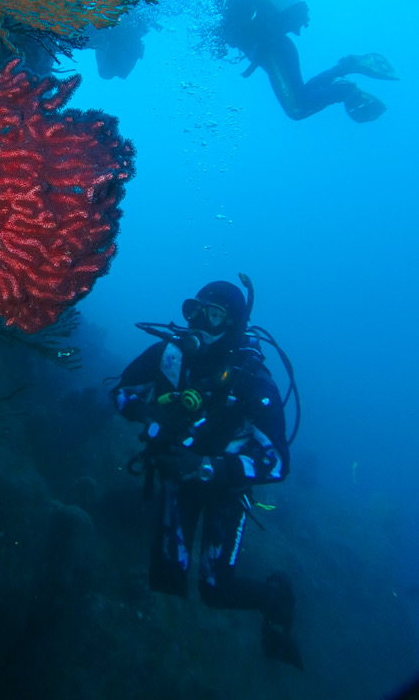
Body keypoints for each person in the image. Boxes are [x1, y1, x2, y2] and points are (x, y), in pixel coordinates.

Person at [110, 276, 303, 668]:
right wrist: (146, 410)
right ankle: (159, 663)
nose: (200, 321)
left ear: (231, 324)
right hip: (174, 478)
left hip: (224, 491)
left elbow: (278, 461)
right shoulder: (169, 355)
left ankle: (276, 598)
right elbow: (119, 390)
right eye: (194, 310)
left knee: (215, 588)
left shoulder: (251, 379)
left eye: (214, 314)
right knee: (166, 579)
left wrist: (208, 467)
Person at [207, 0, 399, 122]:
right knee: (301, 95)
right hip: (277, 48)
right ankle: (349, 66)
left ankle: (346, 88)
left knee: (297, 109)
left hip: (273, 50)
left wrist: (220, 34)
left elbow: (239, 25)